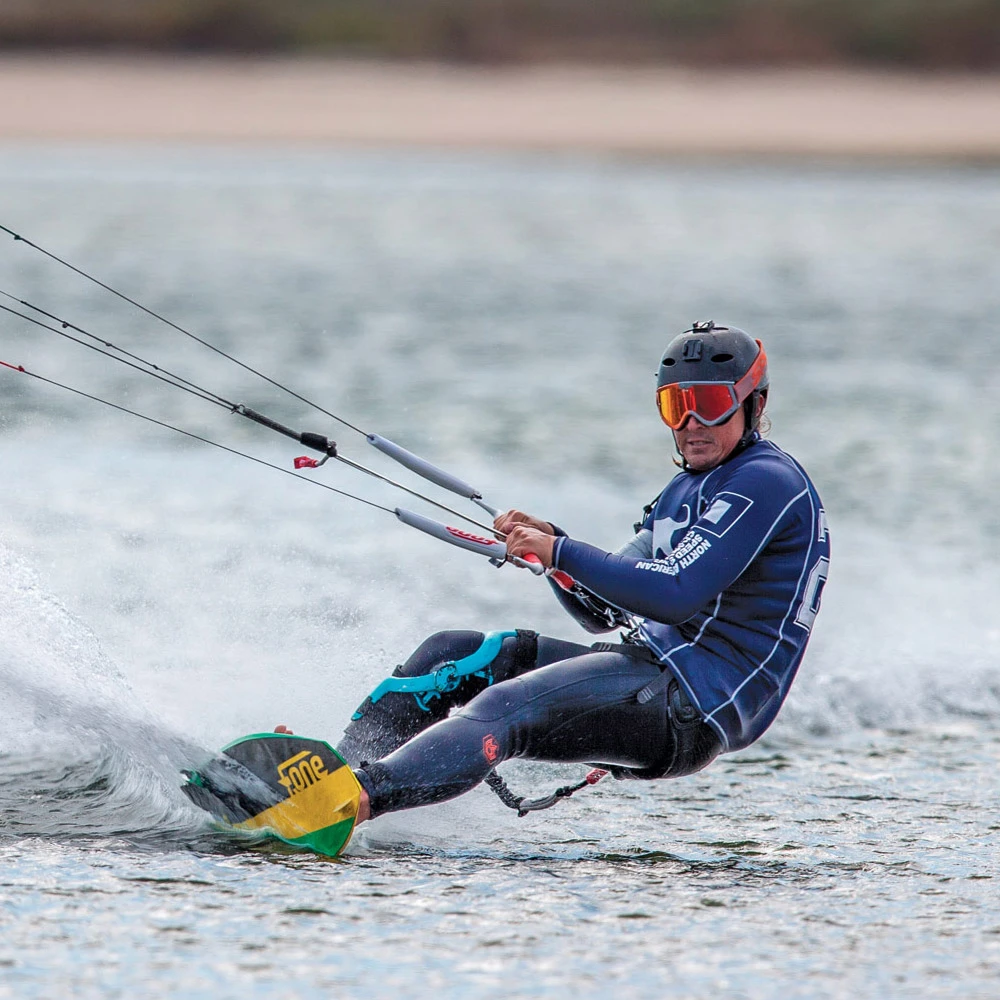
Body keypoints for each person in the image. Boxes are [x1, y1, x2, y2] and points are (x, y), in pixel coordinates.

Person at [283, 321, 830, 827]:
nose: (691, 425)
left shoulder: (766, 481)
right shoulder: (683, 490)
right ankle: (332, 773)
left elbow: (673, 593)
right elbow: (602, 612)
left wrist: (562, 551)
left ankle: (351, 800)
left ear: (753, 403)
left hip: (693, 703)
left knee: (503, 708)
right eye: (675, 407)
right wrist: (547, 553)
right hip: (654, 673)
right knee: (461, 654)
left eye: (709, 404)